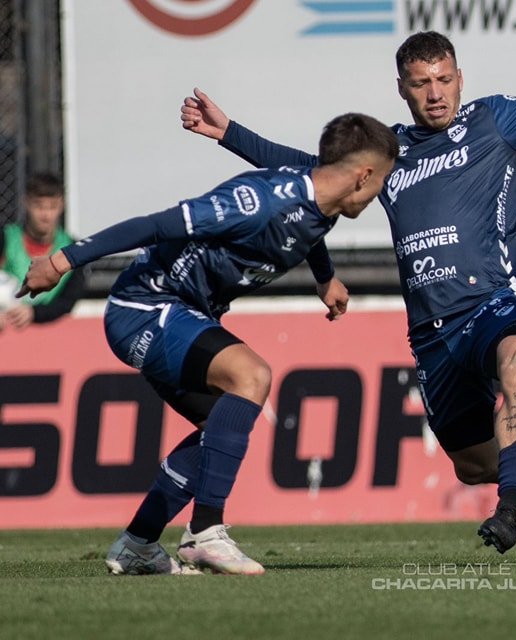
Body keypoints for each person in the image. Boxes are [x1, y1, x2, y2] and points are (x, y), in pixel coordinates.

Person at [179, 31, 516, 559]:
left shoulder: (495, 120)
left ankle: (510, 508)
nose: (436, 93)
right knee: (475, 462)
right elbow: (307, 173)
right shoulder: (389, 152)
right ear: (403, 90)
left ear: (460, 79)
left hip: (497, 301)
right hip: (434, 332)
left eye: (444, 79)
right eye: (421, 83)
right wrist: (229, 132)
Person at [18, 113, 399, 574]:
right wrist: (62, 261)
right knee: (252, 375)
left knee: (219, 429)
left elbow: (308, 227)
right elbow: (157, 224)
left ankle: (138, 542)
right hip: (146, 307)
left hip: (184, 315)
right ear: (364, 175)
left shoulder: (322, 202)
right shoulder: (256, 203)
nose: (381, 194)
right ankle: (205, 531)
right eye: (382, 182)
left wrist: (325, 279)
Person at [1, 173, 86, 331]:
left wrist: (34, 313)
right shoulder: (6, 239)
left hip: (50, 339)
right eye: (39, 206)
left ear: (62, 205)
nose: (45, 215)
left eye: (52, 207)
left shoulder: (72, 250)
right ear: (26, 203)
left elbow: (67, 302)